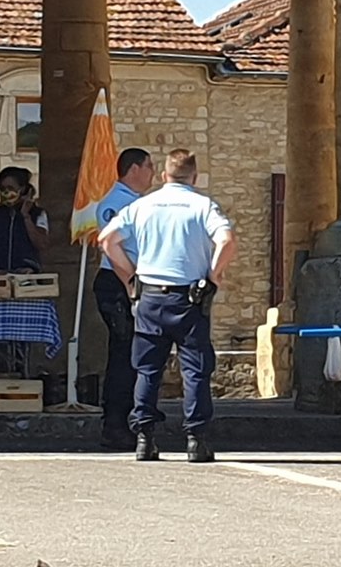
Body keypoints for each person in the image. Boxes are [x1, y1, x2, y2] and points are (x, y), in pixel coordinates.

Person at [99, 148, 237, 463]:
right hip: (189, 297)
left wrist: (130, 278)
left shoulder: (142, 205)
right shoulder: (203, 206)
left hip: (150, 295)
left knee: (147, 369)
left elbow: (107, 241)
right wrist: (213, 276)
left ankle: (145, 439)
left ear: (164, 175)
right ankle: (196, 440)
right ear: (195, 176)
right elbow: (227, 240)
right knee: (195, 370)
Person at [94, 148, 155, 451]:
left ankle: (129, 421)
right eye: (149, 167)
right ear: (134, 169)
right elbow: (112, 248)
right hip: (119, 284)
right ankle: (115, 425)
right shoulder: (117, 204)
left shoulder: (136, 204)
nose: (153, 173)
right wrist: (132, 287)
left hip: (130, 282)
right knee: (123, 356)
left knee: (133, 355)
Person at [0, 166, 49, 373]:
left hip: (26, 282)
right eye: (3, 188)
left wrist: (25, 216)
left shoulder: (38, 215)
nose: (7, 193)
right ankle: (1, 370)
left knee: (23, 332)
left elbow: (42, 244)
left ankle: (24, 371)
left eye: (12, 188)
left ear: (24, 189)